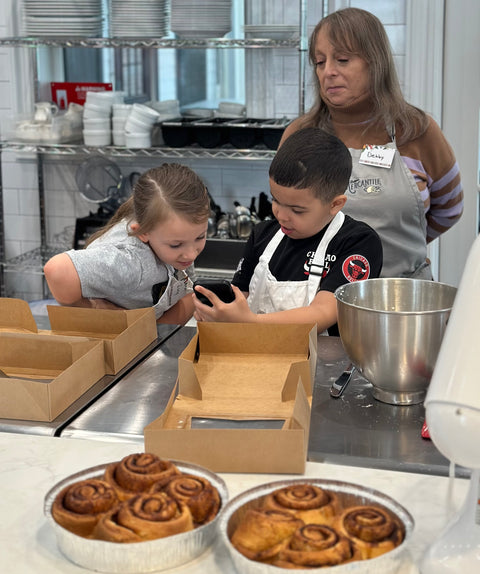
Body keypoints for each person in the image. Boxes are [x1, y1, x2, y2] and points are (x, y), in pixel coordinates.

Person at [279, 7, 463, 279]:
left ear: (376, 63)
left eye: (342, 59)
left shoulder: (416, 131)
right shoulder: (300, 135)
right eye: (320, 62)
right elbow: (285, 216)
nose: (328, 71)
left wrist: (401, 245)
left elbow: (450, 209)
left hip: (403, 302)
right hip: (318, 303)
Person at [193, 127, 383, 335]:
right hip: (257, 355)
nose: (281, 215)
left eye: (297, 210)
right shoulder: (262, 235)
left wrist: (250, 322)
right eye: (276, 200)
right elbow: (241, 296)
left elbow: (324, 312)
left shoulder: (358, 242)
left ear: (335, 204)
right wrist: (219, 312)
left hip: (325, 363)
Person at [44, 163, 210, 325]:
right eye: (176, 245)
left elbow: (188, 291)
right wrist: (94, 309)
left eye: (200, 237)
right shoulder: (130, 260)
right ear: (143, 232)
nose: (191, 254)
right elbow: (57, 270)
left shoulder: (174, 237)